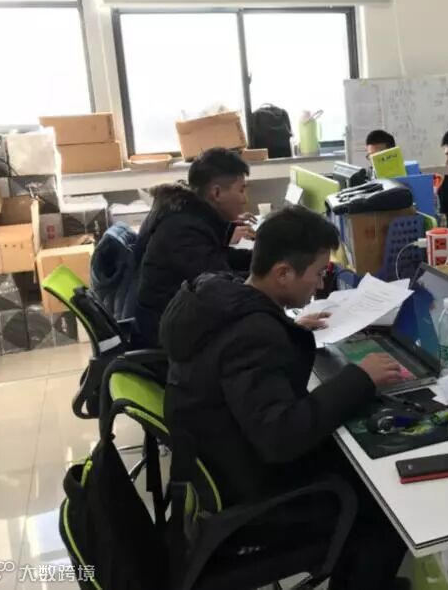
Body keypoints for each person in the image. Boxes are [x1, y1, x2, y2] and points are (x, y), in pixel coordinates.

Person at [160, 205, 408, 590]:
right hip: (256, 493)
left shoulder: (221, 296)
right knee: (386, 500)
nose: (320, 285)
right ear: (282, 273)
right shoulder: (253, 335)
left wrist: (284, 323)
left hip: (225, 457)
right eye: (318, 273)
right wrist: (360, 378)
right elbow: (281, 436)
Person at [135, 148, 256, 346]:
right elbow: (221, 287)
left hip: (176, 320)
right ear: (216, 193)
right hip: (168, 335)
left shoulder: (191, 216)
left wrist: (264, 259)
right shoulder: (183, 230)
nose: (245, 199)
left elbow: (220, 258)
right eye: (241, 190)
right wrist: (268, 281)